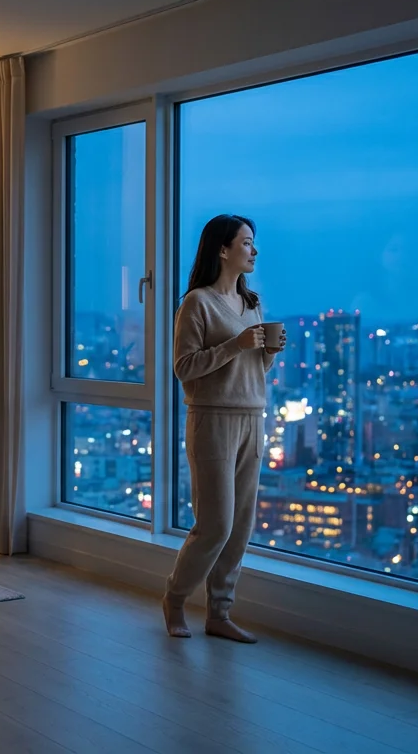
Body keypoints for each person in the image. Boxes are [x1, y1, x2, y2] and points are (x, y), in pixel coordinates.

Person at [162, 213, 286, 642]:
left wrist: (267, 352)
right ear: (223, 249)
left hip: (253, 417)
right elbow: (184, 367)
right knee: (215, 524)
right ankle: (175, 600)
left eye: (253, 243)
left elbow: (255, 370)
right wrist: (236, 344)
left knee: (242, 525)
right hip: (212, 420)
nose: (254, 251)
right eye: (247, 243)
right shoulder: (196, 303)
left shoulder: (252, 303)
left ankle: (219, 612)